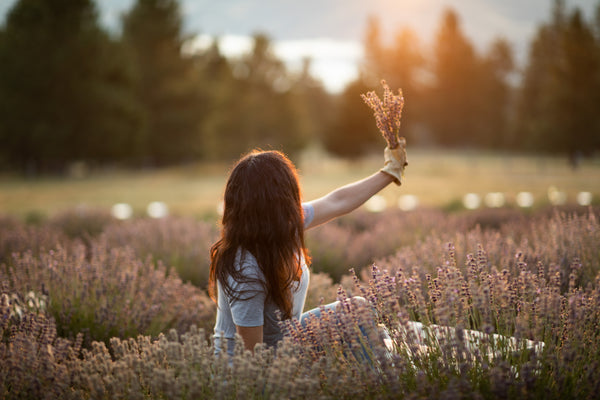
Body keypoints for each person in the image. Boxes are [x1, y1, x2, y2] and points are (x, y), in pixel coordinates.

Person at [209, 143, 407, 356]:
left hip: (283, 339)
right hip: (249, 369)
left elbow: (338, 201)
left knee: (361, 315)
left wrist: (389, 172)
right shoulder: (245, 269)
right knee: (361, 321)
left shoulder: (282, 225)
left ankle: (383, 375)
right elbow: (252, 356)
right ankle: (380, 383)